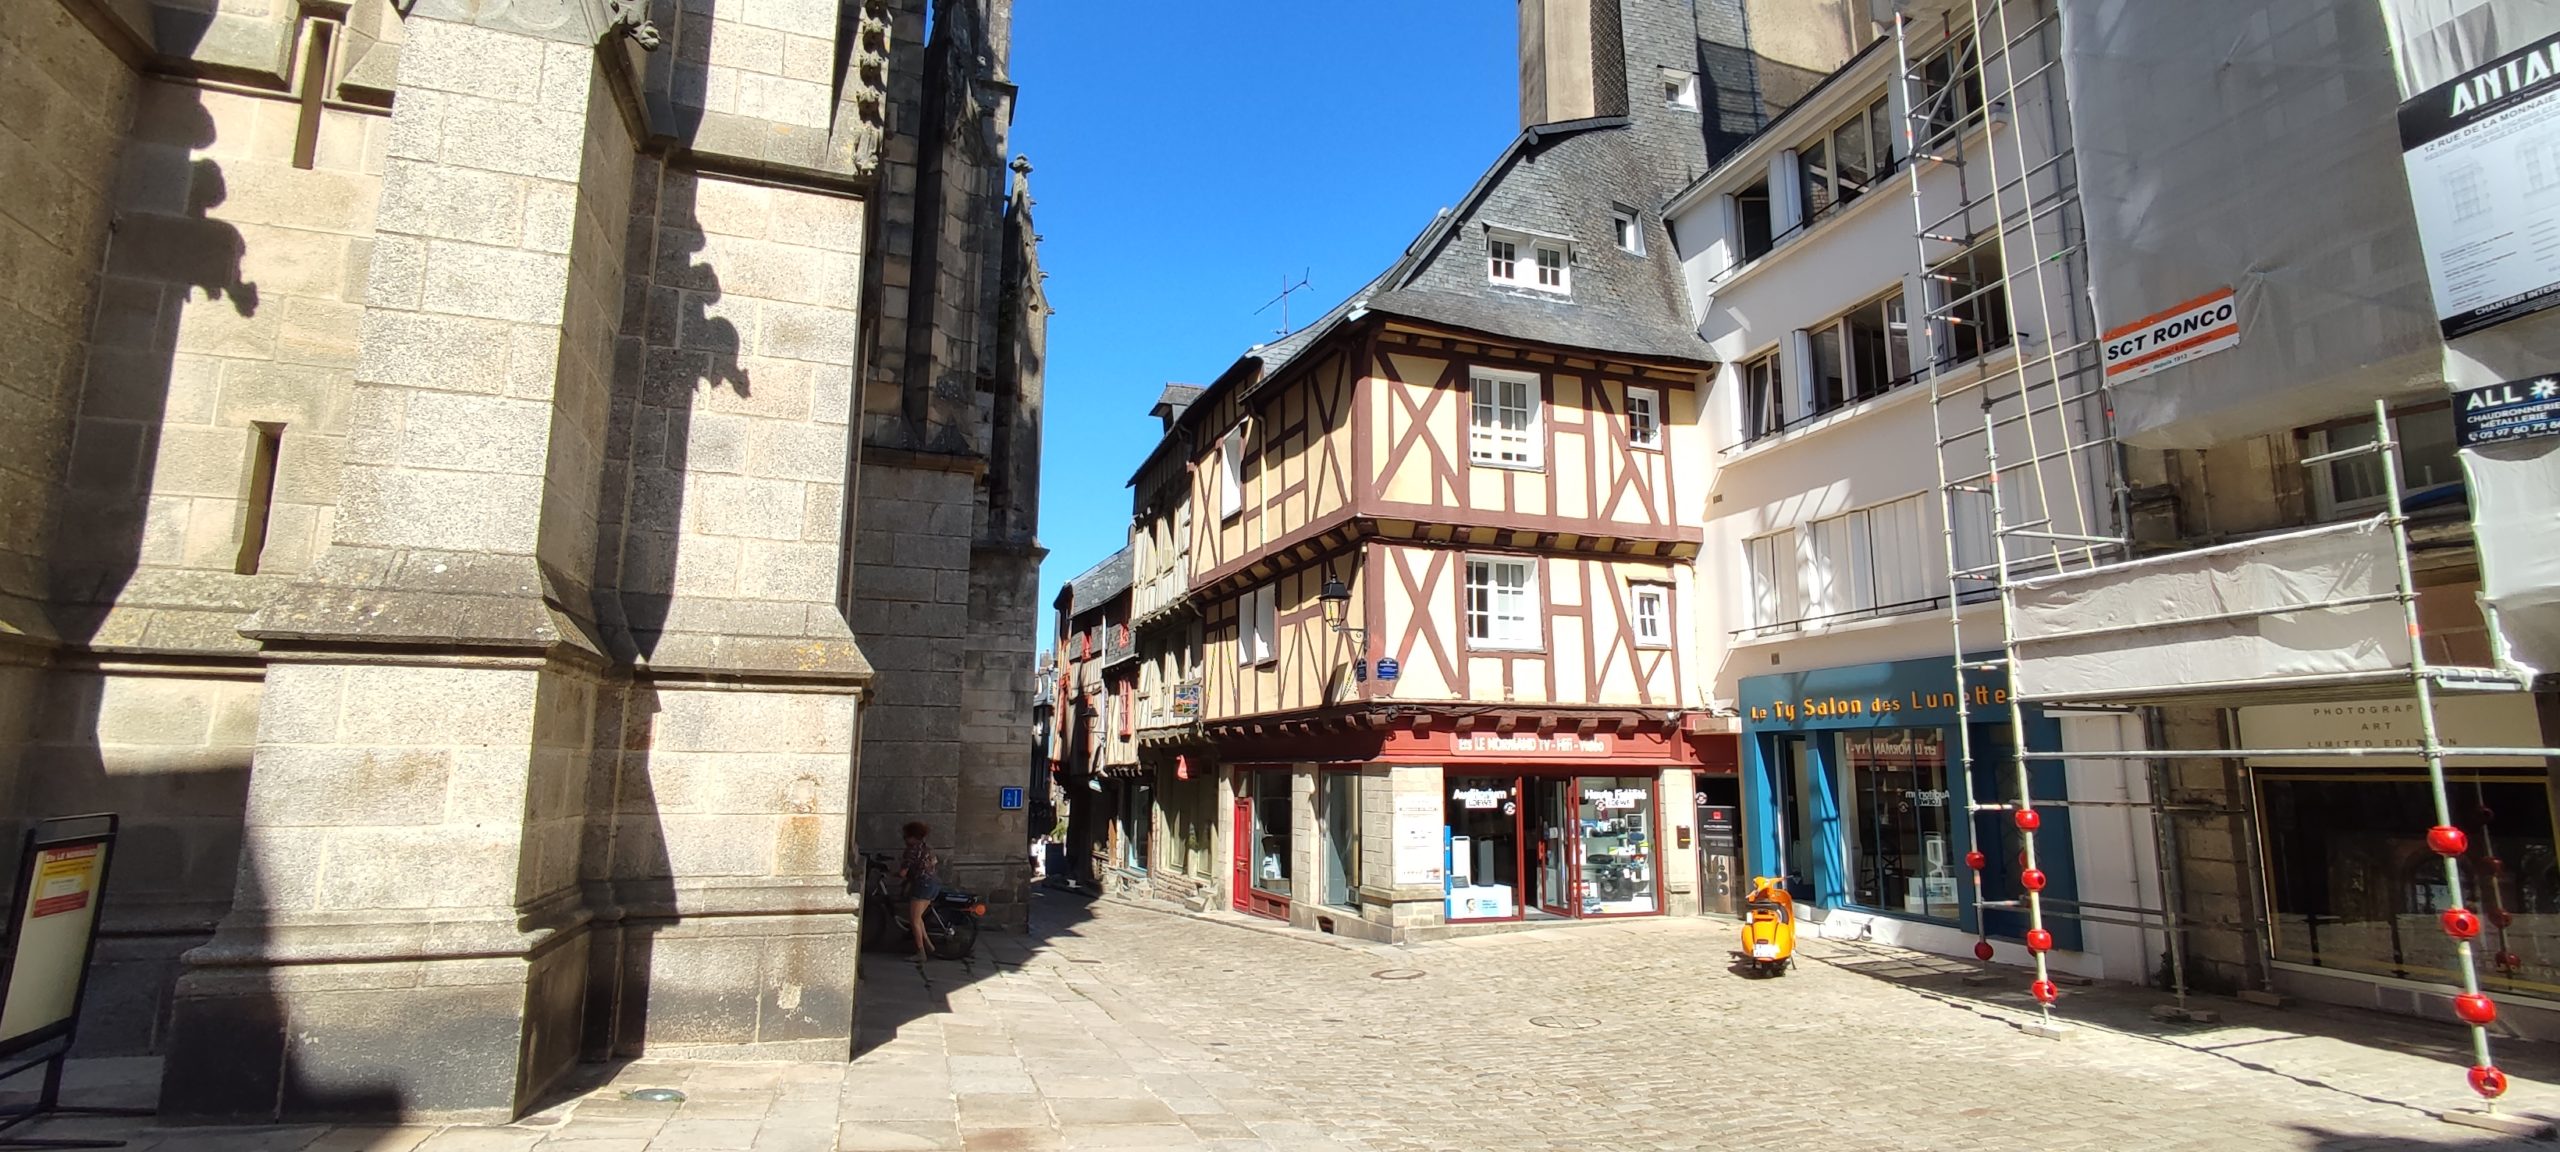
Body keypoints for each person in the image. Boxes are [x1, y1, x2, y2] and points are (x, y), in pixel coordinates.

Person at [897, 822, 939, 959]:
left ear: (912, 836)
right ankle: (928, 945)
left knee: (914, 920)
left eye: (905, 836)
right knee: (918, 917)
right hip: (932, 884)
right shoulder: (927, 848)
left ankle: (920, 952)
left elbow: (903, 872)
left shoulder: (912, 850)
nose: (904, 839)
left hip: (921, 885)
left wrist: (893, 873)